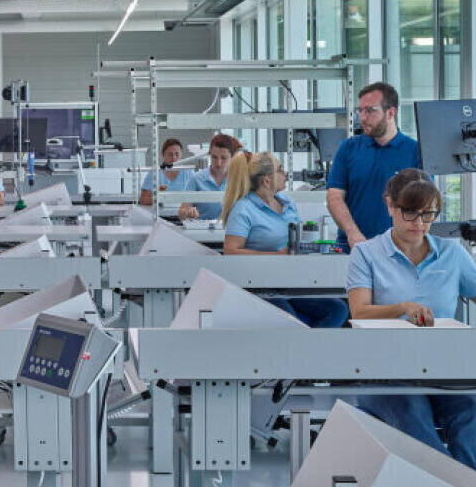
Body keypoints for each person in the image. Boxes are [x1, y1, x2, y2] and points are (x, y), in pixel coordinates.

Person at [346, 170, 476, 471]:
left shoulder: (451, 253)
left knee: (472, 411)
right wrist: (403, 308)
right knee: (411, 412)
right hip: (384, 370)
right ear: (390, 206)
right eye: (410, 214)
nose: (419, 224)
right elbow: (359, 311)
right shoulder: (366, 255)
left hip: (444, 368)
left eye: (428, 215)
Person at [221, 150, 349, 328]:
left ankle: (310, 353)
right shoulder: (244, 209)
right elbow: (231, 252)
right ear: (267, 180)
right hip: (261, 287)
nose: (286, 174)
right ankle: (301, 353)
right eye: (280, 170)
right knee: (289, 320)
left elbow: (294, 241)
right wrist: (277, 255)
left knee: (338, 310)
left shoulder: (287, 203)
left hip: (291, 282)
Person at [326, 81, 422, 250]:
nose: (362, 117)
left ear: (390, 113)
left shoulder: (414, 151)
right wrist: (352, 232)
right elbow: (334, 197)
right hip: (353, 248)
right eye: (360, 111)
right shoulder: (348, 148)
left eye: (370, 110)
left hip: (399, 251)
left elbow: (422, 203)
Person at [179, 133, 242, 221]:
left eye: (223, 158)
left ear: (232, 157)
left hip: (231, 231)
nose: (218, 163)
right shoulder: (197, 179)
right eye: (214, 157)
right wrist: (188, 212)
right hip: (202, 230)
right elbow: (181, 213)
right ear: (210, 155)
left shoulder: (239, 180)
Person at [139, 137, 196, 208]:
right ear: (163, 154)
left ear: (181, 155)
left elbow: (197, 198)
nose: (174, 158)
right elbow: (143, 199)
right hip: (160, 216)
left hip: (184, 215)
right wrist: (160, 198)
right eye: (170, 154)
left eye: (177, 154)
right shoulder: (155, 172)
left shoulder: (188, 171)